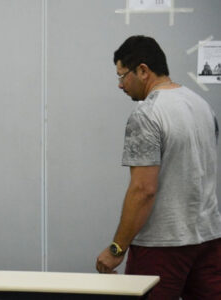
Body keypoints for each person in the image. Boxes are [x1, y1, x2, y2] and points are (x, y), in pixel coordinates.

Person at [96, 35, 221, 299]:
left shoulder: (147, 115)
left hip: (162, 247)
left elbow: (143, 190)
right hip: (209, 240)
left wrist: (116, 249)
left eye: (122, 76)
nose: (120, 85)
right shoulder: (202, 105)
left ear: (143, 70)